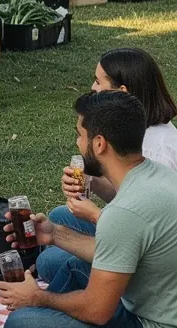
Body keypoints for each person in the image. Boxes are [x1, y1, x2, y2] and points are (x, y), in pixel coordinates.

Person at [0, 92, 177, 328]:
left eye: (80, 135)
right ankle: (50, 325)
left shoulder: (126, 211)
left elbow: (97, 310)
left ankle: (44, 325)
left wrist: (38, 298)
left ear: (99, 143)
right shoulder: (155, 174)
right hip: (154, 301)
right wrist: (54, 234)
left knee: (19, 326)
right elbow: (119, 250)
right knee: (73, 266)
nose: (78, 144)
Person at [37, 48, 177, 283]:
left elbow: (147, 226)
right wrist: (92, 180)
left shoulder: (154, 149)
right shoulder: (139, 132)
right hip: (133, 231)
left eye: (98, 81)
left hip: (149, 262)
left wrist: (96, 216)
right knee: (59, 216)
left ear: (121, 92)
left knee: (49, 262)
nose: (93, 88)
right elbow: (128, 195)